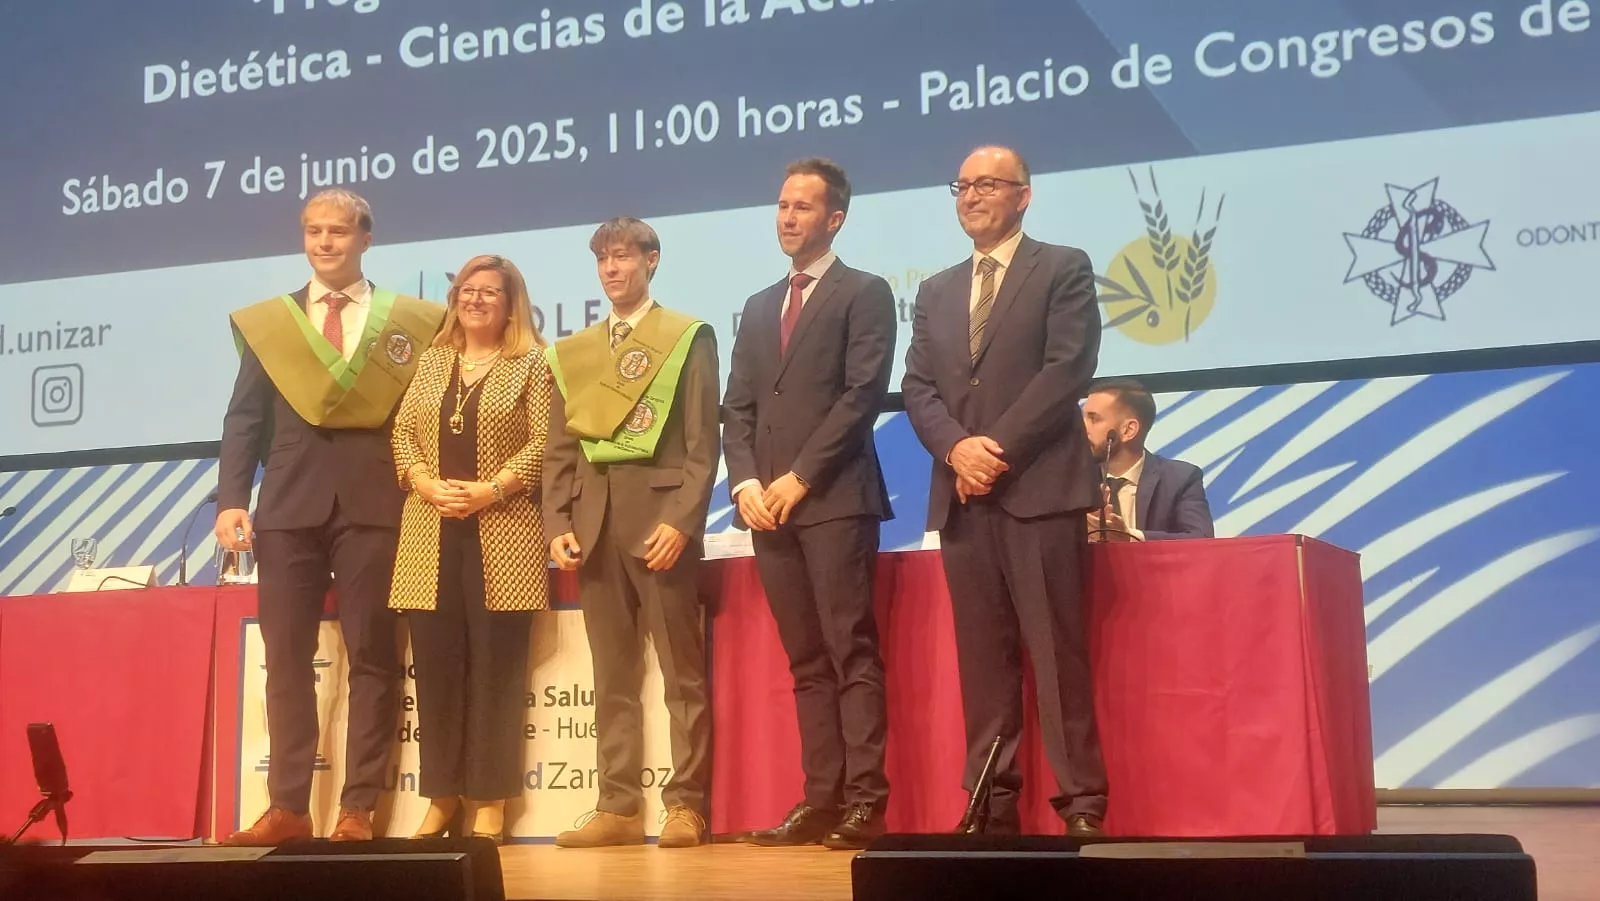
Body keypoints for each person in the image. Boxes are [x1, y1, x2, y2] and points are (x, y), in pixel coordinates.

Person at [215, 189, 446, 844]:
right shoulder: (274, 323)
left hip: (377, 505)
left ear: (365, 238)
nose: (324, 242)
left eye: (338, 231)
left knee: (374, 656)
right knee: (286, 659)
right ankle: (288, 805)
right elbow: (245, 418)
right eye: (313, 231)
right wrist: (234, 496)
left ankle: (357, 808)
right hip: (288, 506)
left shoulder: (408, 322)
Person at [901, 146, 1108, 837]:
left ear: (1024, 195)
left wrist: (995, 450)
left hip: (1039, 489)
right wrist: (957, 447)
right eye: (962, 184)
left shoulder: (1063, 266)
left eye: (988, 184)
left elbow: (1067, 368)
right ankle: (992, 801)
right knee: (983, 661)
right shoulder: (935, 289)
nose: (972, 195)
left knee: (1055, 653)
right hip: (963, 495)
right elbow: (918, 386)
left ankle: (1081, 801)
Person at [722, 158, 897, 850]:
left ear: (835, 219)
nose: (787, 216)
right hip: (767, 508)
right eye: (782, 204)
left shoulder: (865, 291)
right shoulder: (762, 305)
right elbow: (737, 406)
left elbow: (860, 396)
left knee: (850, 648)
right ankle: (819, 797)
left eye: (803, 206)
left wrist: (799, 477)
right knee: (805, 661)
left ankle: (865, 800)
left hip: (833, 501)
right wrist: (745, 484)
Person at [542, 217, 720, 849]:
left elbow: (704, 445)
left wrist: (682, 521)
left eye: (624, 257)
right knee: (610, 674)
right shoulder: (576, 350)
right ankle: (616, 804)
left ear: (652, 261)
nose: (613, 269)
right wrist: (557, 522)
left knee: (681, 674)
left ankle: (686, 806)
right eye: (603, 260)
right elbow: (560, 449)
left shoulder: (686, 338)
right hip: (593, 526)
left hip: (661, 524)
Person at [388, 254, 552, 844]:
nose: (475, 299)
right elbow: (403, 433)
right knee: (435, 674)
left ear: (511, 304)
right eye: (466, 290)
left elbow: (544, 444)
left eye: (489, 292)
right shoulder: (433, 362)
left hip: (502, 531)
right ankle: (441, 798)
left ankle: (489, 799)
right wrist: (423, 481)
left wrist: (491, 489)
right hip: (429, 533)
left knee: (495, 675)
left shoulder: (531, 364)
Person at [1081, 378, 1214, 542]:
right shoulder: (1072, 480)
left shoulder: (1180, 478)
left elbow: (1201, 539)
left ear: (1128, 430)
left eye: (1094, 419)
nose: (1082, 427)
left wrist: (1130, 537)